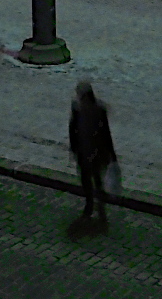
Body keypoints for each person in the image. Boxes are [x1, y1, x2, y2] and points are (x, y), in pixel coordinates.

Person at [68, 81, 117, 223]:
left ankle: (93, 202)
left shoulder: (83, 109)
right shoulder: (85, 109)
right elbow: (73, 130)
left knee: (92, 177)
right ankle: (94, 201)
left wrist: (110, 152)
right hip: (88, 149)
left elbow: (105, 131)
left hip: (92, 149)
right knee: (90, 177)